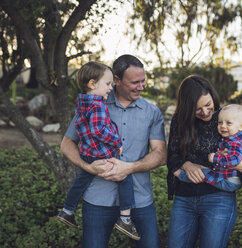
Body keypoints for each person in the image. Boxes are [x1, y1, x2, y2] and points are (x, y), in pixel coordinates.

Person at [60, 54, 167, 247]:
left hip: (140, 200)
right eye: (135, 82)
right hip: (97, 199)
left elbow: (160, 154)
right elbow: (66, 143)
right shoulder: (93, 105)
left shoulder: (152, 112)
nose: (141, 86)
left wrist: (129, 168)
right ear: (116, 81)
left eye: (143, 81)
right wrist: (89, 167)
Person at [167, 75, 242, 248]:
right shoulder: (179, 121)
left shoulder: (228, 119)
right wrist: (187, 165)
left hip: (218, 199)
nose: (205, 112)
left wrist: (234, 162)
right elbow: (172, 156)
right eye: (197, 109)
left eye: (208, 104)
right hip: (184, 199)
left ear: (213, 96)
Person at [57, 61, 141, 240]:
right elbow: (98, 130)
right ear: (92, 84)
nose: (110, 88)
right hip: (102, 154)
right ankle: (125, 219)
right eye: (108, 84)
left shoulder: (82, 103)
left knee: (81, 181)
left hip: (87, 154)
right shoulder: (98, 105)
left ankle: (67, 210)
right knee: (125, 177)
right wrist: (116, 141)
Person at [174, 104, 242, 193]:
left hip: (230, 180)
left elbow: (235, 160)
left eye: (228, 123)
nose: (223, 126)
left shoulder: (235, 143)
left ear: (241, 126)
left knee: (203, 174)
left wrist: (215, 158)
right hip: (230, 178)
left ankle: (181, 175)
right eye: (220, 122)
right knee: (205, 171)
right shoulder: (236, 138)